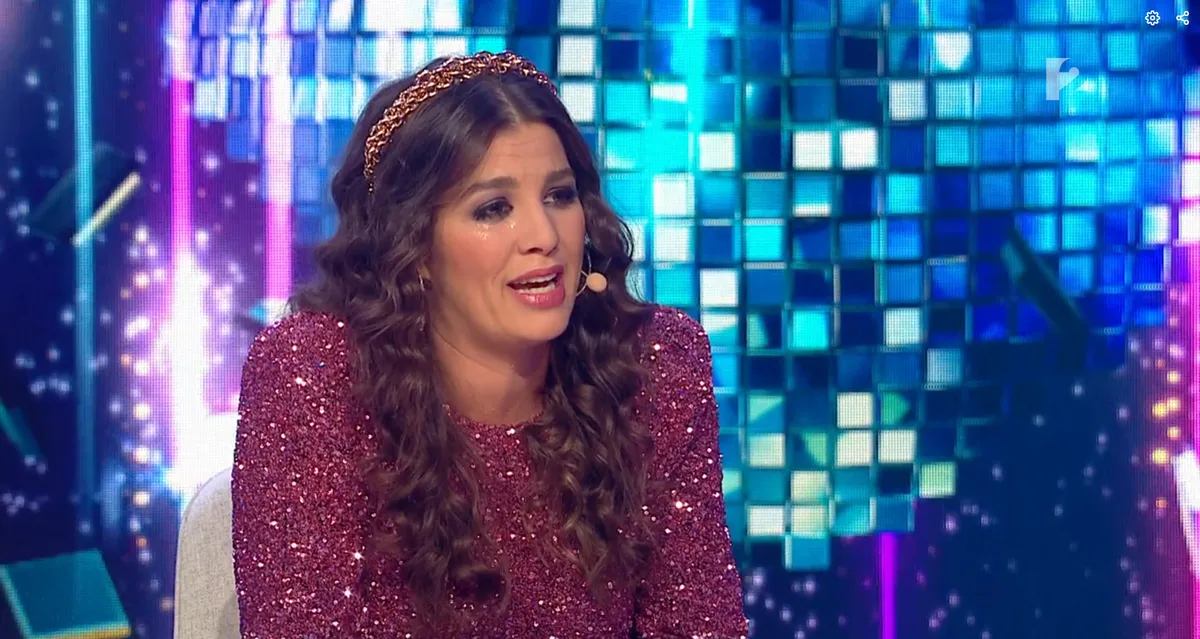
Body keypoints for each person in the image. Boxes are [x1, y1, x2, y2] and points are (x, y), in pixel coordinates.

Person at [230, 51, 748, 638]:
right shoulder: (315, 375)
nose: (544, 236)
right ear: (414, 248)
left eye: (560, 196)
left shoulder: (653, 367)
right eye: (493, 208)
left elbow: (698, 625)